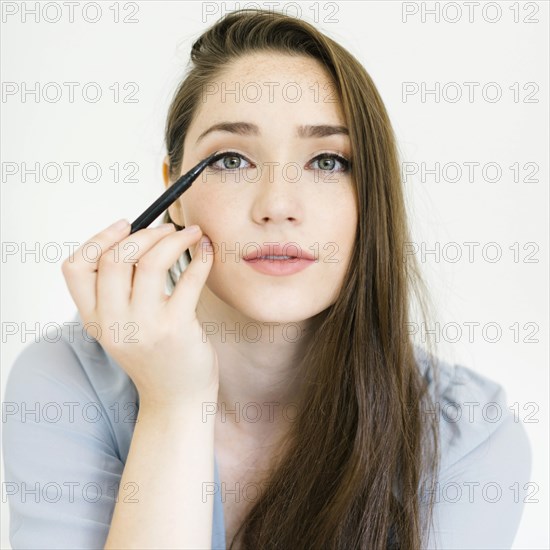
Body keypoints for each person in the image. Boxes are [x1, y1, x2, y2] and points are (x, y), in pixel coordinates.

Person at [2, 8, 532, 550]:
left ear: (373, 194)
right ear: (174, 194)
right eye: (232, 159)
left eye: (328, 162)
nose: (278, 206)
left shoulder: (470, 437)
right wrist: (173, 405)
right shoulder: (65, 385)